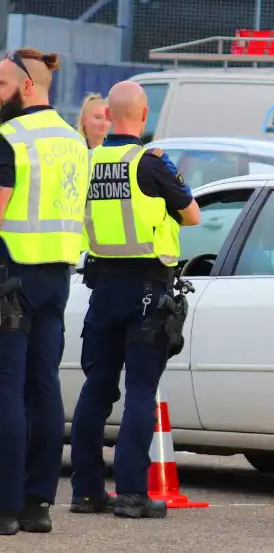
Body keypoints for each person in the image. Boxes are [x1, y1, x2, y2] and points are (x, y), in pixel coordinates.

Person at [69, 80, 200, 520]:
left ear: (108, 112)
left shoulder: (86, 162)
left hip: (103, 286)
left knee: (96, 388)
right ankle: (130, 494)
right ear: (144, 116)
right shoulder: (151, 162)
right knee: (140, 391)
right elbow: (192, 214)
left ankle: (85, 491)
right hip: (148, 287)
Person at [0, 48, 90, 536]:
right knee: (45, 388)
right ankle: (38, 505)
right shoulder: (75, 140)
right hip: (57, 278)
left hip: (10, 276)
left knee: (6, 389)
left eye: (0, 86)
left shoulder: (9, 136)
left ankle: (6, 507)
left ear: (26, 87)